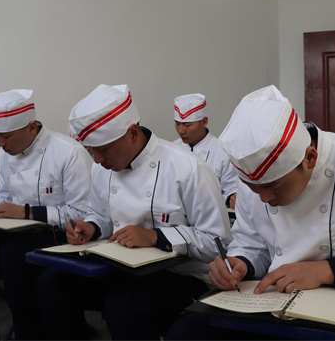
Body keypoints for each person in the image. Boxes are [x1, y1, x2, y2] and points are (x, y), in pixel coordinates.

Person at [166, 85, 335, 341]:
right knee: (185, 332)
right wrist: (241, 263)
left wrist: (329, 271)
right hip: (277, 310)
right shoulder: (255, 177)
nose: (264, 199)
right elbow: (252, 243)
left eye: (274, 186)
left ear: (310, 158)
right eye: (252, 188)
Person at [37, 84, 232, 340]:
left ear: (132, 133)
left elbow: (217, 243)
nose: (97, 160)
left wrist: (156, 237)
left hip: (183, 276)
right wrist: (91, 227)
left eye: (103, 149)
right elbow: (100, 215)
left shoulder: (188, 168)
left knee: (123, 306)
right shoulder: (102, 168)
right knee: (52, 284)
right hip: (122, 268)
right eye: (91, 151)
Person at [0, 89, 92, 340]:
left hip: (57, 235)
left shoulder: (69, 152)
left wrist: (28, 212)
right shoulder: (7, 152)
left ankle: (29, 334)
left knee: (13, 253)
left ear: (31, 128)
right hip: (16, 230)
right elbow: (4, 195)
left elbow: (81, 214)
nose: (0, 144)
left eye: (6, 136)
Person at [173, 93, 238, 209]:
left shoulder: (223, 152)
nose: (181, 131)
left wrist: (231, 198)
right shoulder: (172, 149)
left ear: (204, 122)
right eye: (177, 124)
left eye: (188, 125)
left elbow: (231, 190)